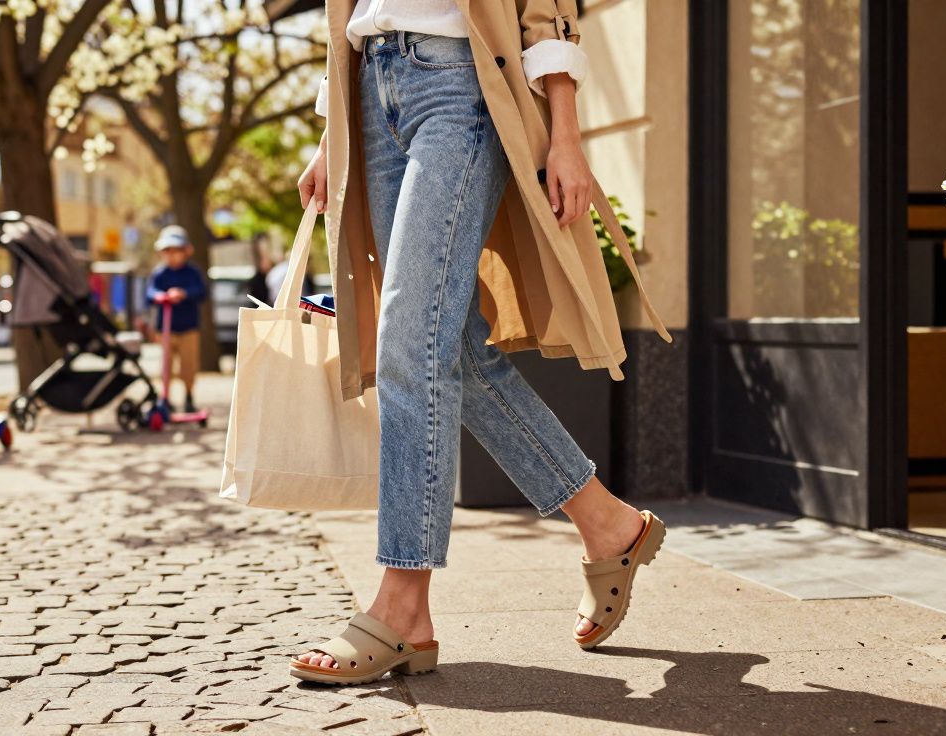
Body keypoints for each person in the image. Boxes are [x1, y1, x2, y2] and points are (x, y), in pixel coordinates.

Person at [288, 1, 674, 684]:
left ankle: (404, 606)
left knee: (409, 342)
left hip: (462, 87)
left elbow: (544, 8)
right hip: (372, 95)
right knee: (452, 344)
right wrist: (331, 136)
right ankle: (609, 523)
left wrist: (566, 133)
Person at [145, 225, 208, 413]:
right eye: (167, 251)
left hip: (188, 327)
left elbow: (202, 292)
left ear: (186, 251)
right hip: (165, 328)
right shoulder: (159, 273)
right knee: (166, 365)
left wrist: (184, 293)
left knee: (188, 365)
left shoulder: (192, 272)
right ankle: (165, 398)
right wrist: (158, 296)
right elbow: (149, 293)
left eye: (176, 251)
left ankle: (188, 396)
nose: (171, 256)